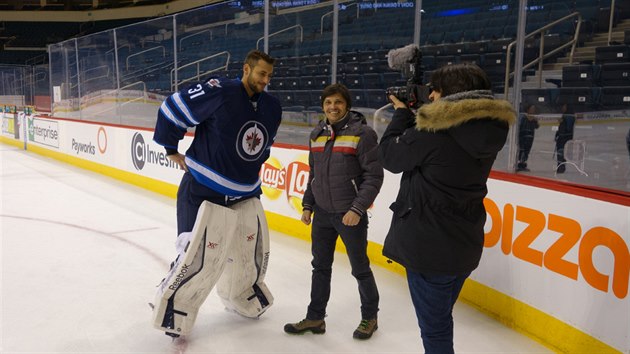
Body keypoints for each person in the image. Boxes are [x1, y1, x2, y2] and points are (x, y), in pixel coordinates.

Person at [378, 63, 515, 354]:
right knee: (440, 319)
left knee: (435, 330)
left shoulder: (434, 133)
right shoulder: (488, 130)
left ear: (451, 94)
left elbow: (389, 156)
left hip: (429, 248)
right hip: (464, 244)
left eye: (436, 91)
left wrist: (403, 114)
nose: (431, 97)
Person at [152, 49, 282, 335]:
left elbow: (264, 147)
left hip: (246, 193)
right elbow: (173, 108)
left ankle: (241, 295)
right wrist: (171, 150)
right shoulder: (219, 90)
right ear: (246, 69)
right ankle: (175, 307)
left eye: (269, 76)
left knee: (250, 252)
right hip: (202, 190)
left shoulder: (272, 106)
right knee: (195, 254)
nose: (265, 80)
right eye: (261, 74)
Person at [284, 83, 383, 340]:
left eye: (337, 102)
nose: (332, 107)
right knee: (320, 267)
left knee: (360, 268)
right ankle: (315, 318)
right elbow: (314, 175)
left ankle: (370, 317)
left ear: (347, 105)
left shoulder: (363, 134)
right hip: (322, 214)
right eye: (328, 103)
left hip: (350, 215)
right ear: (323, 106)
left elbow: (374, 177)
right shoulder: (316, 135)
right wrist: (308, 205)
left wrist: (357, 208)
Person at [516, 103, 539, 172]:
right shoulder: (524, 118)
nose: (533, 110)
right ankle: (519, 163)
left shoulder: (533, 119)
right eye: (532, 109)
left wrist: (535, 120)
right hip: (523, 136)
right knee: (522, 150)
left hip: (530, 137)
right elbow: (520, 127)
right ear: (528, 110)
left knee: (527, 150)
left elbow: (537, 127)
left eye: (534, 109)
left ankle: (523, 163)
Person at [555, 103, 576, 173]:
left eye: (564, 106)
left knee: (562, 152)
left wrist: (563, 121)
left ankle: (561, 167)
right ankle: (560, 166)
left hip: (564, 138)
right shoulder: (566, 116)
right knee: (561, 152)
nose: (562, 108)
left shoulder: (569, 116)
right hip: (563, 137)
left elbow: (567, 128)